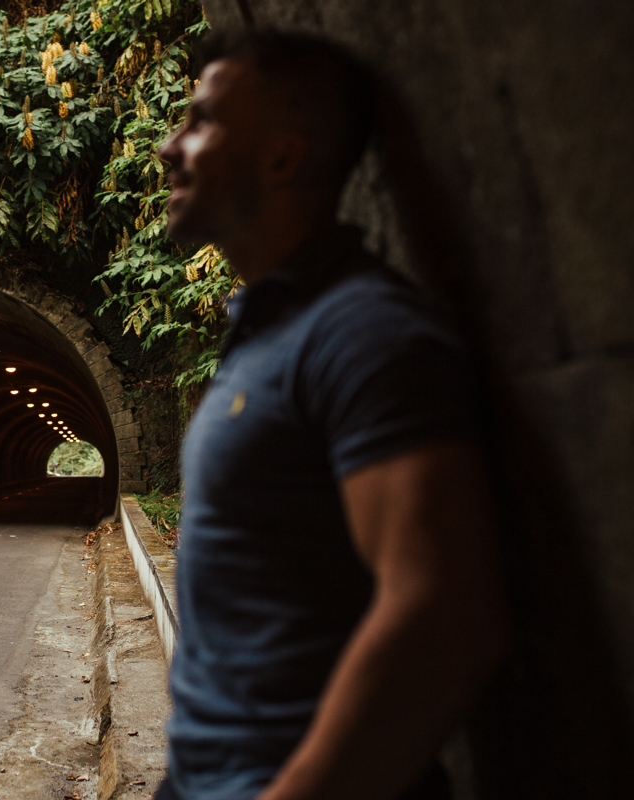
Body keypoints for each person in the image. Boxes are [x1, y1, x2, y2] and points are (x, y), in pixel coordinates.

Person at [153, 28, 510, 800]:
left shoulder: (365, 333)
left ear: (283, 155)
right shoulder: (268, 333)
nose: (170, 148)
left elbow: (444, 613)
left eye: (202, 120)